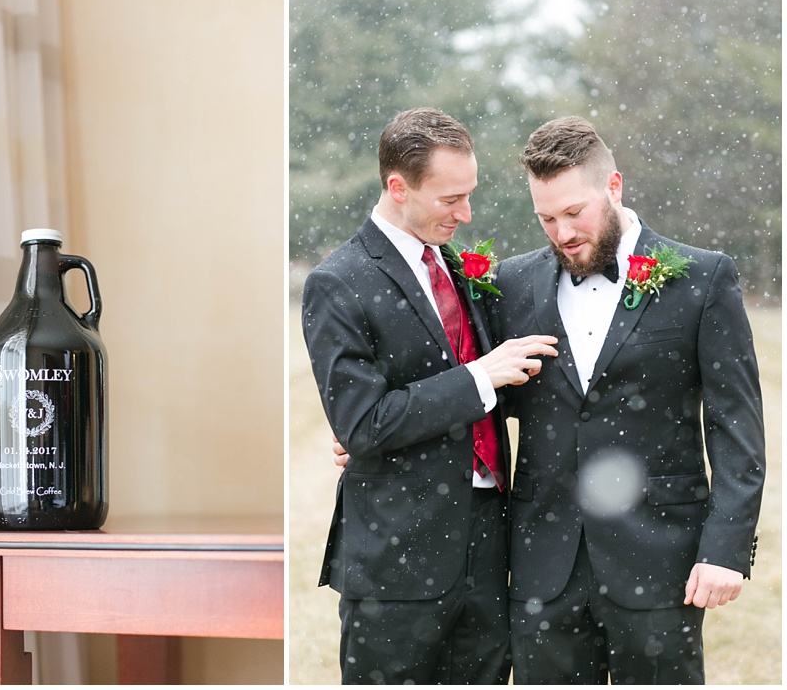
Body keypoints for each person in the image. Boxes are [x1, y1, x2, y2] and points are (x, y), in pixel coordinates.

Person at [490, 116, 765, 683]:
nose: (562, 232)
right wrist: (381, 431)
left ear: (614, 187)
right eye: (546, 218)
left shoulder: (702, 279)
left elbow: (736, 426)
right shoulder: (511, 285)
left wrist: (726, 549)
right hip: (543, 565)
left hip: (662, 560)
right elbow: (485, 396)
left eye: (574, 213)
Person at [301, 107, 558, 684]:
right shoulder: (338, 282)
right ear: (398, 187)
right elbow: (363, 423)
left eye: (469, 195)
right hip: (398, 556)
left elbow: (498, 383)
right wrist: (478, 377)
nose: (465, 215)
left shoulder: (457, 267)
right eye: (449, 200)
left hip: (489, 539)